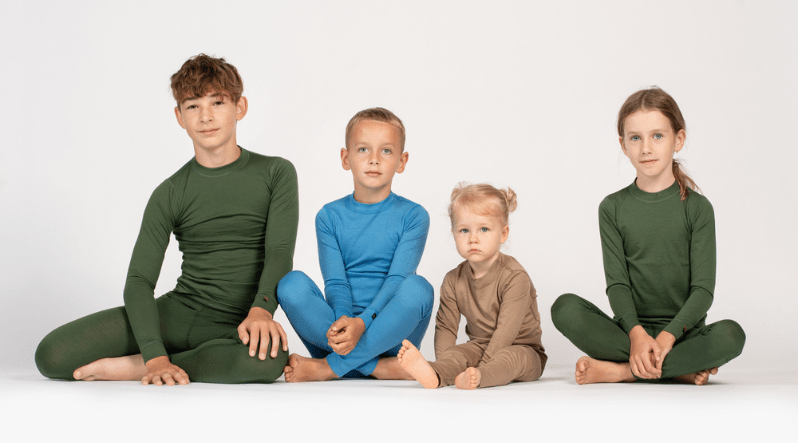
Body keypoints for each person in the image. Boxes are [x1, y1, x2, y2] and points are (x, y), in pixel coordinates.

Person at [35, 54, 298, 385]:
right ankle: (165, 359)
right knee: (51, 355)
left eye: (217, 102)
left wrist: (261, 310)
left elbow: (279, 252)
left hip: (241, 321)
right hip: (178, 315)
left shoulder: (276, 173)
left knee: (269, 361)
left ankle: (134, 367)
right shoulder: (170, 192)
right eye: (192, 106)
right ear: (179, 117)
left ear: (239, 107)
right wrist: (154, 353)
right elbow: (139, 282)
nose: (205, 116)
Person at [550, 87, 745, 385]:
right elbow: (617, 284)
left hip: (682, 335)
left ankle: (622, 371)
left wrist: (668, 336)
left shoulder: (698, 208)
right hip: (629, 334)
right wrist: (637, 334)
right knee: (564, 308)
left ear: (678, 139)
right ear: (623, 144)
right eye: (635, 138)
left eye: (657, 136)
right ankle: (677, 368)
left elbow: (703, 290)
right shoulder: (612, 207)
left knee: (731, 335)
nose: (646, 148)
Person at [277, 107, 433, 382]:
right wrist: (346, 322)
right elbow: (336, 283)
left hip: (392, 338)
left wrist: (363, 322)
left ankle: (329, 368)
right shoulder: (329, 216)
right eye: (363, 149)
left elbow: (397, 280)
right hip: (337, 335)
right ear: (345, 158)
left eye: (386, 151)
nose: (374, 159)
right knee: (291, 284)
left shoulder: (414, 215)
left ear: (401, 161)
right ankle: (380, 368)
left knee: (419, 289)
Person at [398, 183, 546, 389]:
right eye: (464, 230)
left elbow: (506, 332)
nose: (473, 239)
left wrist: (482, 366)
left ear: (503, 234)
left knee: (509, 359)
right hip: (479, 346)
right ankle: (435, 375)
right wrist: (446, 363)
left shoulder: (514, 277)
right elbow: (446, 327)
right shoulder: (453, 279)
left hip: (523, 350)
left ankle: (480, 376)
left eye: (484, 229)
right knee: (459, 354)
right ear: (454, 233)